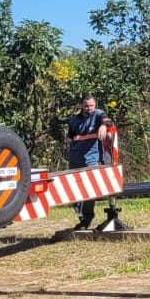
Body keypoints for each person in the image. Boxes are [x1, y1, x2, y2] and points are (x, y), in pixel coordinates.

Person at [66, 93, 114, 230]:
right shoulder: (74, 119)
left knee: (89, 190)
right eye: (86, 106)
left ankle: (87, 218)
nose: (89, 108)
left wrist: (104, 126)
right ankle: (82, 218)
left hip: (91, 159)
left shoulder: (99, 115)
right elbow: (71, 136)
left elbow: (107, 121)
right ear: (82, 106)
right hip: (75, 159)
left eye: (92, 105)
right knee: (73, 190)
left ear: (95, 105)